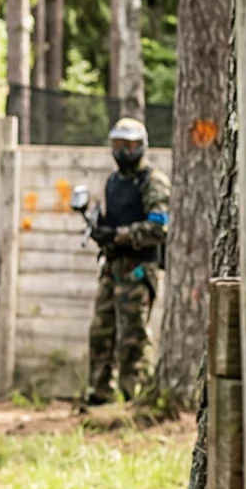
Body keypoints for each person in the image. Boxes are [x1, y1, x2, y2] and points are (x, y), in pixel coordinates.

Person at [83, 117, 171, 408]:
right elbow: (113, 221)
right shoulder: (113, 181)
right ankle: (100, 394)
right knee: (101, 333)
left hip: (137, 270)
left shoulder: (153, 181)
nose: (123, 151)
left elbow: (159, 226)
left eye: (129, 145)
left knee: (132, 339)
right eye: (118, 145)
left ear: (142, 146)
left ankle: (135, 397)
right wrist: (101, 230)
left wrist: (119, 235)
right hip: (112, 268)